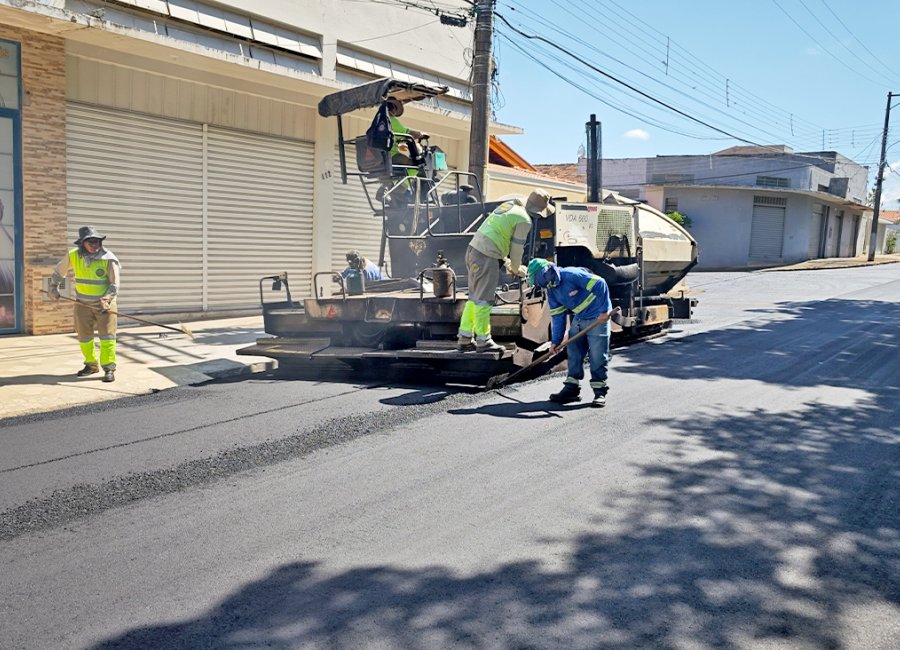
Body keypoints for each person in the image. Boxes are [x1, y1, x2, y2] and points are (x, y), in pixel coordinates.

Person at [457, 188, 555, 353]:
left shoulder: (510, 206)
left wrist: (507, 263)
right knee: (483, 300)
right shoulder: (524, 220)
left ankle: (465, 338)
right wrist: (517, 269)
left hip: (474, 251)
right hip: (486, 257)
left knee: (474, 298)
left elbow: (496, 237)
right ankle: (483, 340)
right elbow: (517, 250)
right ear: (538, 211)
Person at [527, 258, 613, 408]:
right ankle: (571, 389)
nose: (537, 284)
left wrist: (604, 310)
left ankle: (600, 392)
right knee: (573, 352)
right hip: (580, 318)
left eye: (536, 280)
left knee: (597, 356)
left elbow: (600, 284)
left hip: (598, 317)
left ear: (544, 274)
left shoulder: (571, 275)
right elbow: (558, 317)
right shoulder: (552, 291)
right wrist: (556, 342)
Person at [48, 225, 121, 383]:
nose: (95, 245)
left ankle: (109, 368)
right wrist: (53, 287)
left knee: (107, 337)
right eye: (91, 242)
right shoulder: (73, 255)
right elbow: (59, 272)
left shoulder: (109, 258)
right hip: (82, 304)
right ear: (82, 243)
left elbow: (114, 285)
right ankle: (91, 365)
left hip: (104, 305)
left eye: (97, 241)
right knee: (84, 337)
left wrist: (107, 299)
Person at [385, 97, 428, 169]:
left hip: (379, 158)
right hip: (391, 156)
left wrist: (399, 145)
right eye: (395, 109)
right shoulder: (391, 120)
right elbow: (408, 133)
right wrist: (420, 134)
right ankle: (409, 180)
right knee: (415, 164)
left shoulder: (379, 122)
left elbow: (388, 139)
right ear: (393, 109)